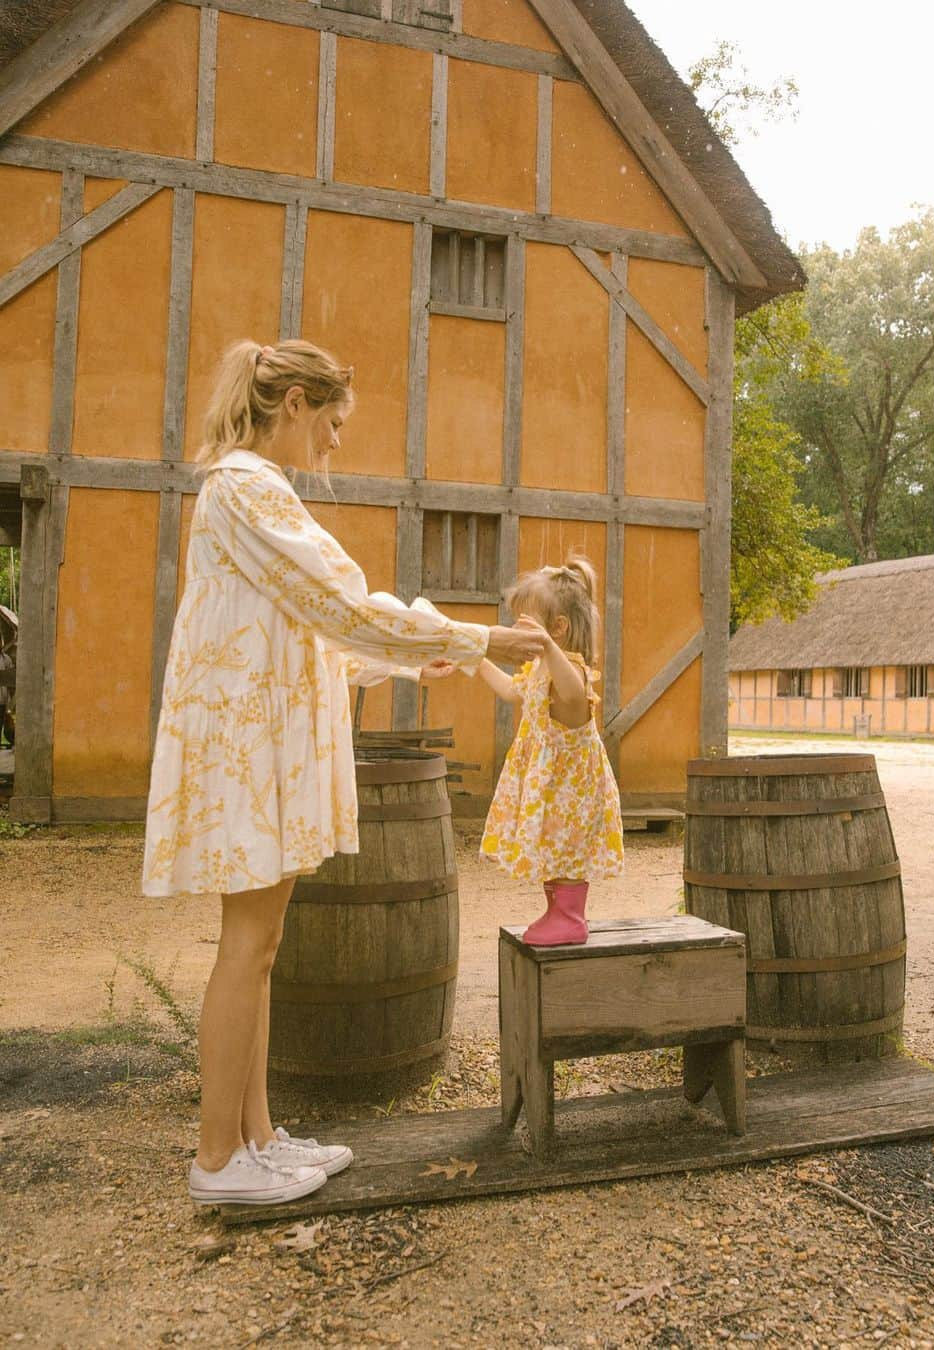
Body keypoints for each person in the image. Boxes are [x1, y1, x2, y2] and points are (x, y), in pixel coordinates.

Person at [142, 339, 544, 1206]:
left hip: (254, 739)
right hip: (247, 750)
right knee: (247, 946)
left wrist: (406, 663)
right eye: (331, 423)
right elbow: (342, 606)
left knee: (261, 946)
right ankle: (218, 1161)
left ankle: (255, 1137)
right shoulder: (248, 485)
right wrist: (474, 638)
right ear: (291, 403)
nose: (334, 443)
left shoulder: (250, 489)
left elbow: (308, 628)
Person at [472, 556, 624, 944]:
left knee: (568, 845)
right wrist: (470, 659)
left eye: (525, 625)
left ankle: (572, 918)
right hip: (554, 787)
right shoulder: (540, 669)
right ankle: (558, 911)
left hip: (573, 790)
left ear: (557, 629)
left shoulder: (570, 670)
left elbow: (575, 693)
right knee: (553, 845)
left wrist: (546, 649)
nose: (515, 633)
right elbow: (510, 691)